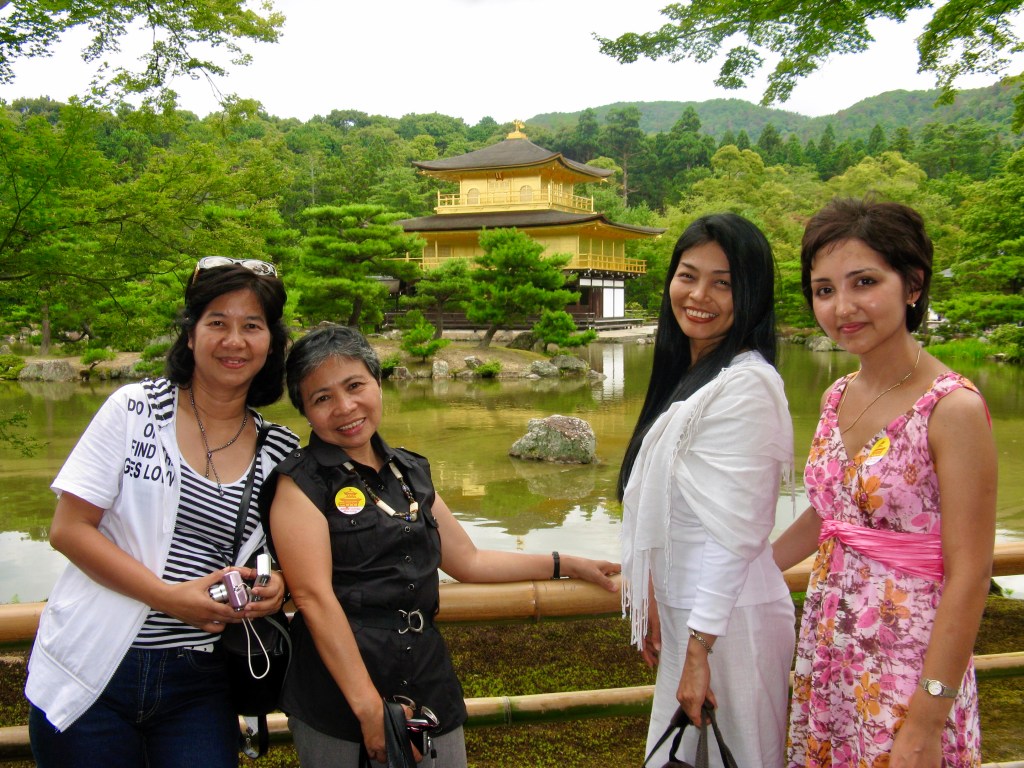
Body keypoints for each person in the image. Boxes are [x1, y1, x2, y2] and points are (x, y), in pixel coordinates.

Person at [259, 324, 620, 768]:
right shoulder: (299, 484)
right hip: (337, 695)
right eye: (322, 398)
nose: (345, 407)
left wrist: (565, 563)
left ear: (377, 382)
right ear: (305, 410)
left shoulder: (410, 471)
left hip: (427, 678)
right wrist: (370, 710)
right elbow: (314, 599)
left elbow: (469, 560)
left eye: (355, 386)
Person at [26, 257, 300, 768]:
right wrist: (167, 598)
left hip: (203, 678)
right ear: (191, 335)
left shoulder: (280, 449)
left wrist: (277, 584)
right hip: (95, 666)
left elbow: (281, 555)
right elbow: (68, 529)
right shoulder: (134, 409)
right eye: (217, 322)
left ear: (271, 342)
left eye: (252, 326)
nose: (234, 341)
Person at [773, 198, 996, 768]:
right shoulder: (836, 396)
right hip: (830, 656)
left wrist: (926, 722)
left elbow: (971, 573)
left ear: (913, 285)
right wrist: (747, 567)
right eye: (824, 290)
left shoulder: (952, 409)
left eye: (864, 282)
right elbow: (832, 513)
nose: (842, 307)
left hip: (907, 669)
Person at [618, 213, 796, 767]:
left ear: (752, 294)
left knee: (743, 755)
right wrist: (651, 594)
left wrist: (699, 649)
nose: (699, 296)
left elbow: (734, 534)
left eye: (723, 283)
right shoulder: (694, 377)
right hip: (691, 617)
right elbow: (673, 514)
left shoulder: (747, 385)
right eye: (688, 276)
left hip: (729, 622)